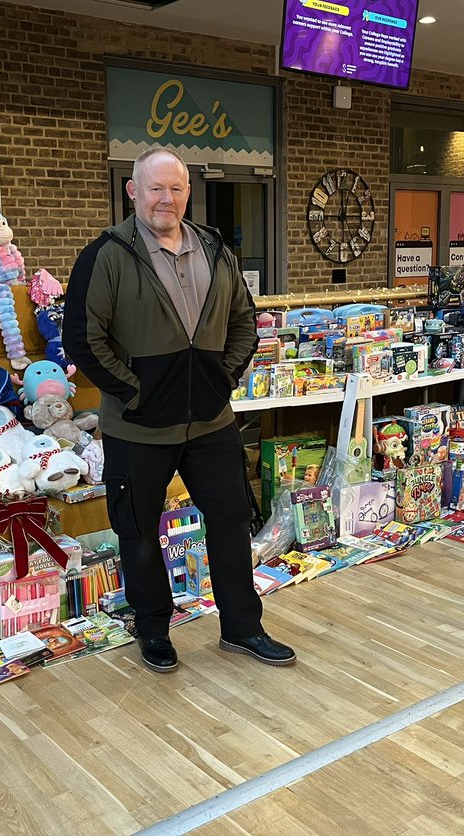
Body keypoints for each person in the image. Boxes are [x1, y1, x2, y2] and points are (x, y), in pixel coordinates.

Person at [64, 147, 295, 673]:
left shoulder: (215, 249)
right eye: (155, 188)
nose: (166, 199)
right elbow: (82, 339)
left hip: (211, 423)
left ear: (188, 192)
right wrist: (136, 393)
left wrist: (223, 379)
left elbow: (244, 322)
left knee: (231, 523)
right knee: (139, 532)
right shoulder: (105, 255)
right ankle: (153, 630)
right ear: (133, 191)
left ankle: (243, 627)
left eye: (175, 188)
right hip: (138, 427)